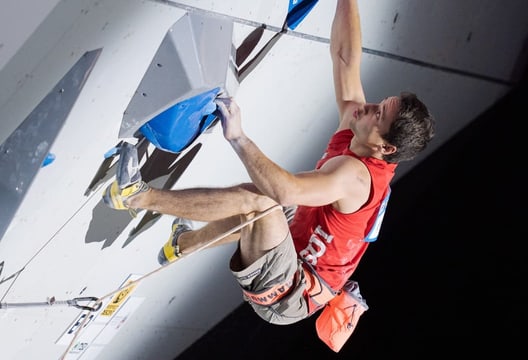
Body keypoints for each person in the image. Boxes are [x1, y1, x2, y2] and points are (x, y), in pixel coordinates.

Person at [103, 0, 434, 327]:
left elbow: (284, 190)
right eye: (381, 103)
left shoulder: (356, 178)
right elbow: (346, 58)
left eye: (380, 114)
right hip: (299, 239)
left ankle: (135, 195)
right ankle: (182, 245)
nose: (370, 106)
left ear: (384, 147)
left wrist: (238, 137)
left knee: (262, 200)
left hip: (292, 292)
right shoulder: (359, 126)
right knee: (273, 205)